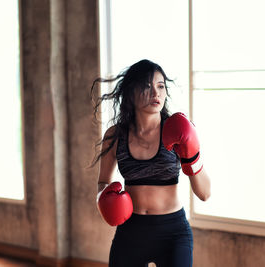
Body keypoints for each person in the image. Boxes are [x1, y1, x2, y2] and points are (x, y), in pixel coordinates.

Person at [90, 59, 211, 267]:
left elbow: (204, 194)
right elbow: (102, 183)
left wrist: (192, 157)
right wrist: (106, 199)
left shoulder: (178, 131)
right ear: (131, 93)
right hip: (131, 232)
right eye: (147, 86)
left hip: (173, 232)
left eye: (160, 86)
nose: (156, 93)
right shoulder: (116, 135)